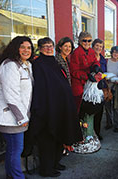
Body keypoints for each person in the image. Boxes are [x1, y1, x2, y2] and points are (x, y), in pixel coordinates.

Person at [29, 37, 82, 177]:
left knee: (59, 135)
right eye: (45, 46)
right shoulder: (38, 64)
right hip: (48, 107)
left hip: (60, 106)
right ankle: (46, 169)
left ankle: (55, 162)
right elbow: (41, 88)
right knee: (47, 139)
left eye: (50, 46)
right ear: (40, 49)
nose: (48, 48)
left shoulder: (54, 62)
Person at [0, 36, 34, 179]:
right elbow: (11, 96)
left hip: (18, 117)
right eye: (22, 47)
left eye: (29, 47)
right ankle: (18, 177)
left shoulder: (24, 65)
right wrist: (21, 118)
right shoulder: (10, 65)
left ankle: (11, 175)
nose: (26, 50)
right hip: (10, 118)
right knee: (15, 149)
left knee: (13, 149)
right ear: (15, 48)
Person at [69, 32, 100, 113]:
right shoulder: (76, 53)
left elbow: (94, 61)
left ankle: (87, 123)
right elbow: (74, 71)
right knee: (79, 105)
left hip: (89, 81)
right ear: (79, 41)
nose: (87, 43)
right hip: (78, 83)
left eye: (89, 41)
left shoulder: (91, 51)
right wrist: (87, 76)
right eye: (84, 41)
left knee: (91, 103)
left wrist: (96, 66)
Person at [105, 46, 118, 133]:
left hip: (117, 85)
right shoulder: (107, 61)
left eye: (117, 52)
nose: (115, 54)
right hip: (108, 85)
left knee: (117, 105)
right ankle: (109, 123)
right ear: (111, 53)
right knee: (107, 104)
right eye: (114, 52)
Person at [92, 38, 107, 140]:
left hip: (100, 89)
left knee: (99, 111)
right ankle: (89, 133)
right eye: (97, 45)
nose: (98, 48)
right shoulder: (89, 57)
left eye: (100, 46)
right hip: (90, 88)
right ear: (93, 46)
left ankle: (97, 132)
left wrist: (105, 77)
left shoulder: (103, 60)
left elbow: (105, 72)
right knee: (89, 111)